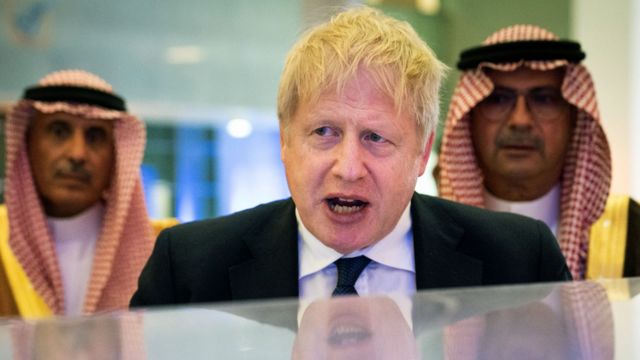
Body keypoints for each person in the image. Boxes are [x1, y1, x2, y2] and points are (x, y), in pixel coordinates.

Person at [130, 7, 570, 308]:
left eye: (376, 137)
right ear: (285, 141)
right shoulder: (187, 267)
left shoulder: (519, 262)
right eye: (324, 132)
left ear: (421, 152)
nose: (348, 167)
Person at [437, 24, 640, 280]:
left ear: (574, 119)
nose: (520, 120)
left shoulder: (628, 231)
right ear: (469, 118)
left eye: (544, 99)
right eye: (498, 99)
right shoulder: (425, 232)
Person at [0, 69, 157, 317]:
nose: (77, 154)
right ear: (27, 143)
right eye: (59, 131)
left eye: (95, 136)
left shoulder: (161, 248)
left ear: (116, 154)